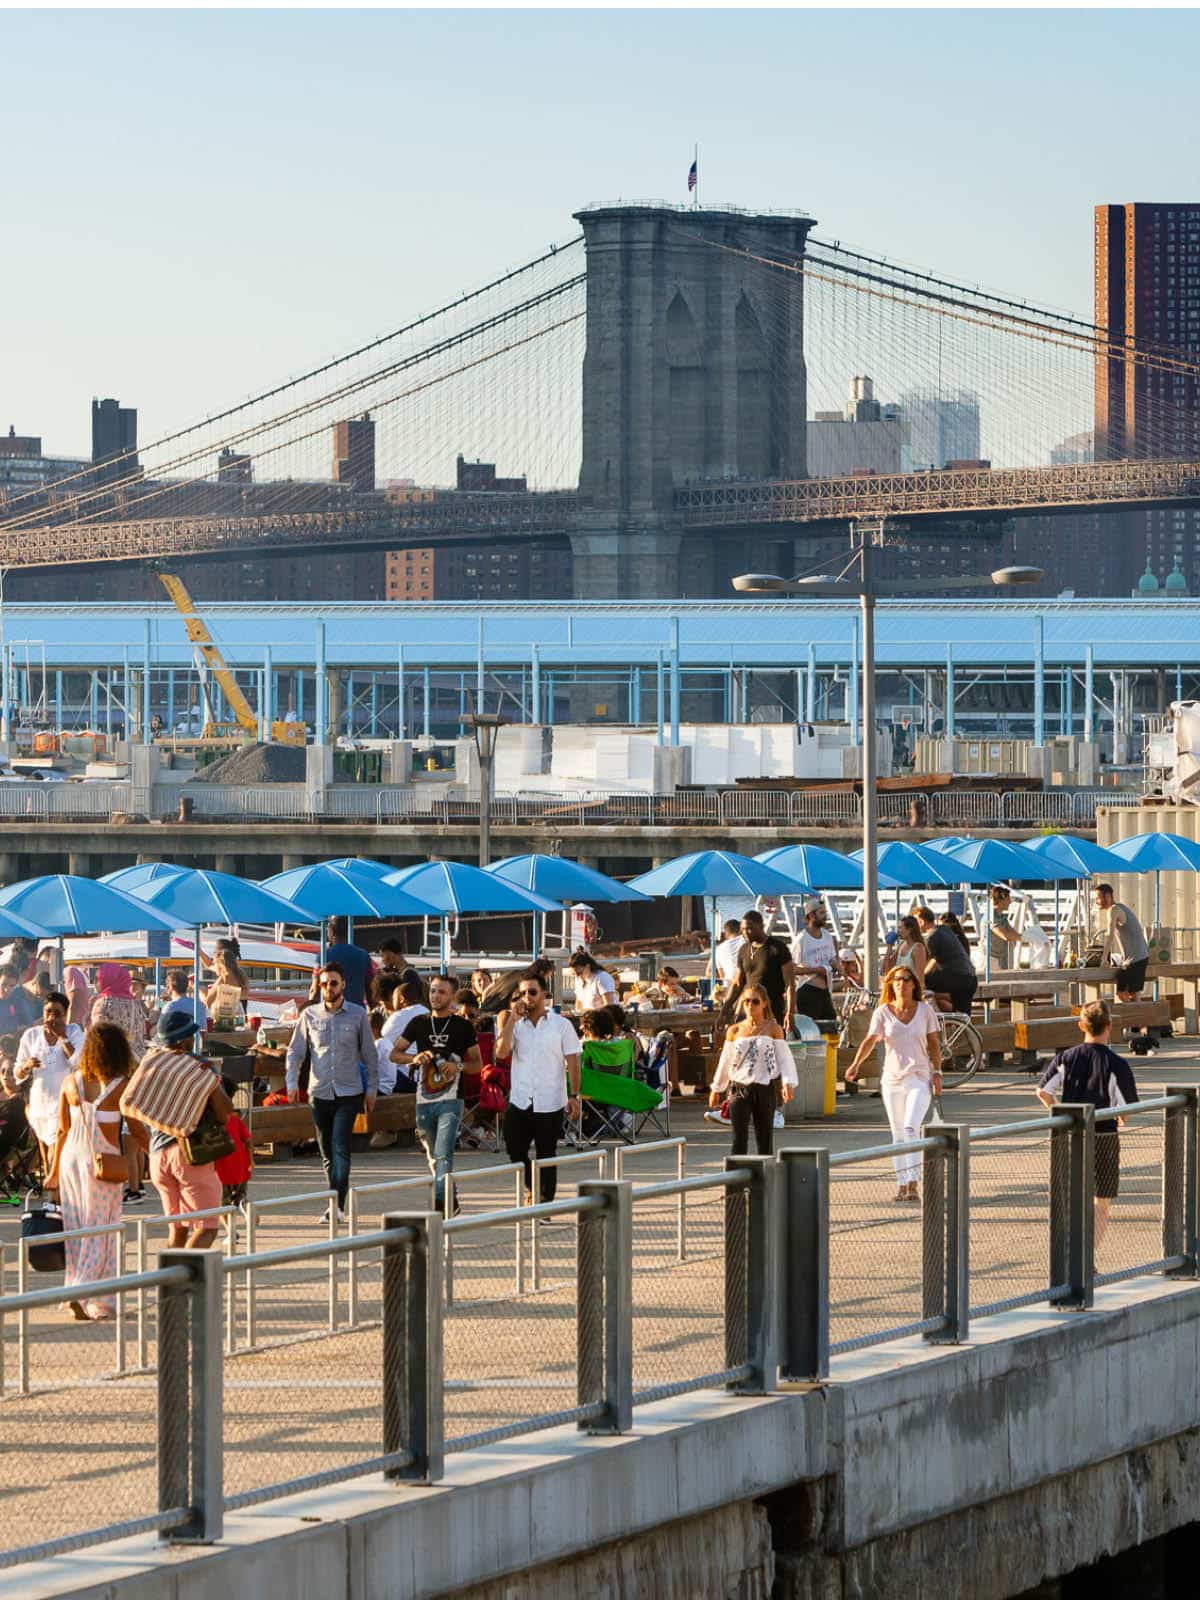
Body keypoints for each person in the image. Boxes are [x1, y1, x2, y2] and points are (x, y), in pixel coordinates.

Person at [47, 1023, 143, 1319]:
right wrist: (158, 1152)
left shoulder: (70, 1082)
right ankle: (84, 1291)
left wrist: (51, 1173)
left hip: (69, 1161)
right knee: (102, 1229)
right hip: (102, 1162)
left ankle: (80, 1289)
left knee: (75, 1229)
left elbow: (61, 1131)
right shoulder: (121, 1086)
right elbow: (137, 1128)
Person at [1036, 999, 1138, 1245]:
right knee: (1101, 1201)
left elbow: (1042, 1091)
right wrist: (1121, 1119)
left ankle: (1068, 1253)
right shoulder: (1117, 1064)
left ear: (1081, 1025)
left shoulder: (1066, 1058)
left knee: (1071, 1197)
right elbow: (1126, 1109)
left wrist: (1061, 1114)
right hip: (1103, 1135)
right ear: (1109, 1026)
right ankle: (1087, 1259)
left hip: (1070, 1135)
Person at [285, 961, 377, 1221]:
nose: (328, 988)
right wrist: (292, 1083)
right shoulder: (309, 1015)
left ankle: (338, 1205)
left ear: (344, 985)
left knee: (340, 1147)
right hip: (319, 1091)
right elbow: (295, 1052)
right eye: (324, 983)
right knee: (326, 1152)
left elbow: (370, 1055)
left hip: (349, 1092)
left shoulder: (358, 1015)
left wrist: (371, 1089)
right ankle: (333, 1198)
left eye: (333, 983)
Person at [135, 1010, 235, 1248]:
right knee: (206, 1229)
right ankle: (184, 1284)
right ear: (184, 1041)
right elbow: (224, 1113)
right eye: (191, 1036)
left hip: (158, 1155)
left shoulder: (151, 1066)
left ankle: (168, 1281)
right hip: (190, 1154)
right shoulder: (198, 1068)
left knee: (178, 1230)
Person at [845, 968, 943, 1203]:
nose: (901, 984)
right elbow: (871, 1040)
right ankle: (901, 1184)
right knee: (898, 1134)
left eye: (906, 980)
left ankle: (913, 1182)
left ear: (913, 984)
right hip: (891, 1079)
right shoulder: (882, 1012)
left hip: (918, 1077)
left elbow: (933, 1044)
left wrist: (937, 1072)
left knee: (911, 1128)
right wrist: (856, 1064)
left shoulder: (925, 1010)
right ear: (890, 985)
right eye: (896, 980)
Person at [394, 973, 482, 1213]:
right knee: (433, 1156)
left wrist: (459, 1066)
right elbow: (395, 1054)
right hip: (424, 1098)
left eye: (442, 992)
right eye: (433, 990)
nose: (435, 996)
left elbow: (477, 1064)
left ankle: (440, 1205)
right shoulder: (419, 1023)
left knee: (444, 1154)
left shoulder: (462, 1026)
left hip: (452, 1100)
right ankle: (451, 1199)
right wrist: (414, 1057)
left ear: (452, 997)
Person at [496, 971, 581, 1205]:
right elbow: (501, 1053)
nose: (527, 997)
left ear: (544, 994)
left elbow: (573, 1061)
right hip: (521, 1097)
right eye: (522, 993)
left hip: (550, 1099)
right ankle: (531, 1186)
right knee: (514, 1147)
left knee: (546, 1153)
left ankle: (544, 1201)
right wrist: (511, 1020)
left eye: (532, 992)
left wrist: (574, 1095)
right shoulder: (516, 1025)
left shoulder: (561, 1025)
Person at [708, 985, 797, 1156]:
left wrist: (787, 1083)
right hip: (739, 1088)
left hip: (765, 1086)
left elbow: (784, 1058)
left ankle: (764, 1179)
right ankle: (735, 1180)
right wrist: (716, 1088)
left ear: (764, 1003)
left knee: (764, 1139)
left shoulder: (773, 1029)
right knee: (738, 1139)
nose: (750, 1005)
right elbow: (726, 1060)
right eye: (746, 1001)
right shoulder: (734, 1030)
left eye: (755, 1001)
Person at [14, 992, 84, 1181]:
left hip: (64, 1104)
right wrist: (27, 1066)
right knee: (45, 1157)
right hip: (40, 1104)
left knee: (57, 1149)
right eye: (48, 1012)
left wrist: (62, 1038)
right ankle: (52, 1191)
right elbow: (17, 1073)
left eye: (57, 1013)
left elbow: (79, 1064)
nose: (52, 1017)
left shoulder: (75, 1032)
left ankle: (56, 1195)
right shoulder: (31, 1035)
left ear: (66, 1014)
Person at [724, 911, 795, 1031]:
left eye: (749, 928)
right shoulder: (743, 950)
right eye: (743, 929)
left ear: (761, 926)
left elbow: (790, 984)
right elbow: (737, 983)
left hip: (772, 1010)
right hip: (747, 1009)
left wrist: (790, 1012)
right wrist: (724, 1010)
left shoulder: (777, 948)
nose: (745, 933)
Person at [916, 907, 978, 1016]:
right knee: (964, 1020)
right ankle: (956, 1022)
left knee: (917, 984)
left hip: (958, 979)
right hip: (970, 978)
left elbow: (933, 961)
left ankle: (931, 1017)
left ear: (921, 921)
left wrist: (920, 977)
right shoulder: (945, 930)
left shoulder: (932, 937)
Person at [1095, 883, 1150, 1000]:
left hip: (1135, 959)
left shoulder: (1114, 910)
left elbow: (1109, 936)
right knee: (1133, 994)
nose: (1096, 901)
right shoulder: (1119, 907)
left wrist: (1104, 959)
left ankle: (1134, 1015)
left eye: (1098, 898)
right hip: (1140, 957)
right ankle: (1137, 1014)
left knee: (1122, 993)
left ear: (1108, 896)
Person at [791, 903, 843, 1026]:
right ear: (811, 915)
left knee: (831, 1028)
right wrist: (816, 970)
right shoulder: (801, 939)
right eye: (822, 913)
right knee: (810, 1032)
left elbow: (831, 958)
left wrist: (839, 968)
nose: (825, 916)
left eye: (825, 912)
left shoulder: (827, 935)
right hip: (808, 991)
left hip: (826, 991)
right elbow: (792, 969)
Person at [91, 963, 149, 1061]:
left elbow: (98, 1037)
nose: (94, 982)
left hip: (113, 1061)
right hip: (136, 1060)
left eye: (98, 978)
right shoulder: (135, 1004)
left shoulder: (103, 1003)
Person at [323, 916, 375, 1007]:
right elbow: (370, 988)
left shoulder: (323, 956)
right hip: (357, 1012)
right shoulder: (363, 955)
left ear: (331, 932)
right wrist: (372, 1009)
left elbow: (314, 990)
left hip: (330, 1012)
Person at [478, 958, 555, 1017]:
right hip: (495, 1016)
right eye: (547, 977)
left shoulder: (514, 973)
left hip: (483, 1012)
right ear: (541, 973)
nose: (546, 981)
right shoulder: (527, 983)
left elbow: (489, 989)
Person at [159, 968, 209, 1032]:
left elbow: (160, 1032)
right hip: (197, 1041)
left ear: (170, 987)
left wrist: (157, 1006)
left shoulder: (170, 1007)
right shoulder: (199, 1005)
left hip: (178, 1041)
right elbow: (204, 1030)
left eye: (167, 985)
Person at [887, 916, 929, 986]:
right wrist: (889, 947)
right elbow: (887, 969)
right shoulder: (901, 944)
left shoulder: (918, 948)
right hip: (899, 987)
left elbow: (920, 979)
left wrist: (918, 995)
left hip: (911, 990)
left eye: (900, 928)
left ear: (909, 930)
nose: (898, 931)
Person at [988, 887, 1022, 973]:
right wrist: (1024, 938)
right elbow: (1005, 935)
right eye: (1008, 899)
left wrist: (1030, 936)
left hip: (1001, 959)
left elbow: (1013, 933)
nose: (1010, 902)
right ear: (1001, 900)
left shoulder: (1002, 917)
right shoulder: (991, 916)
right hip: (991, 960)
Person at [0, 964, 39, 1036]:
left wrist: (19, 1031)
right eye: (4, 984)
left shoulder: (18, 1002)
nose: (7, 989)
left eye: (11, 986)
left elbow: (31, 1026)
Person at [708, 920, 745, 990]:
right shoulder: (745, 940)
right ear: (740, 930)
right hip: (745, 984)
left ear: (726, 933)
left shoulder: (718, 949)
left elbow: (721, 974)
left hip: (728, 986)